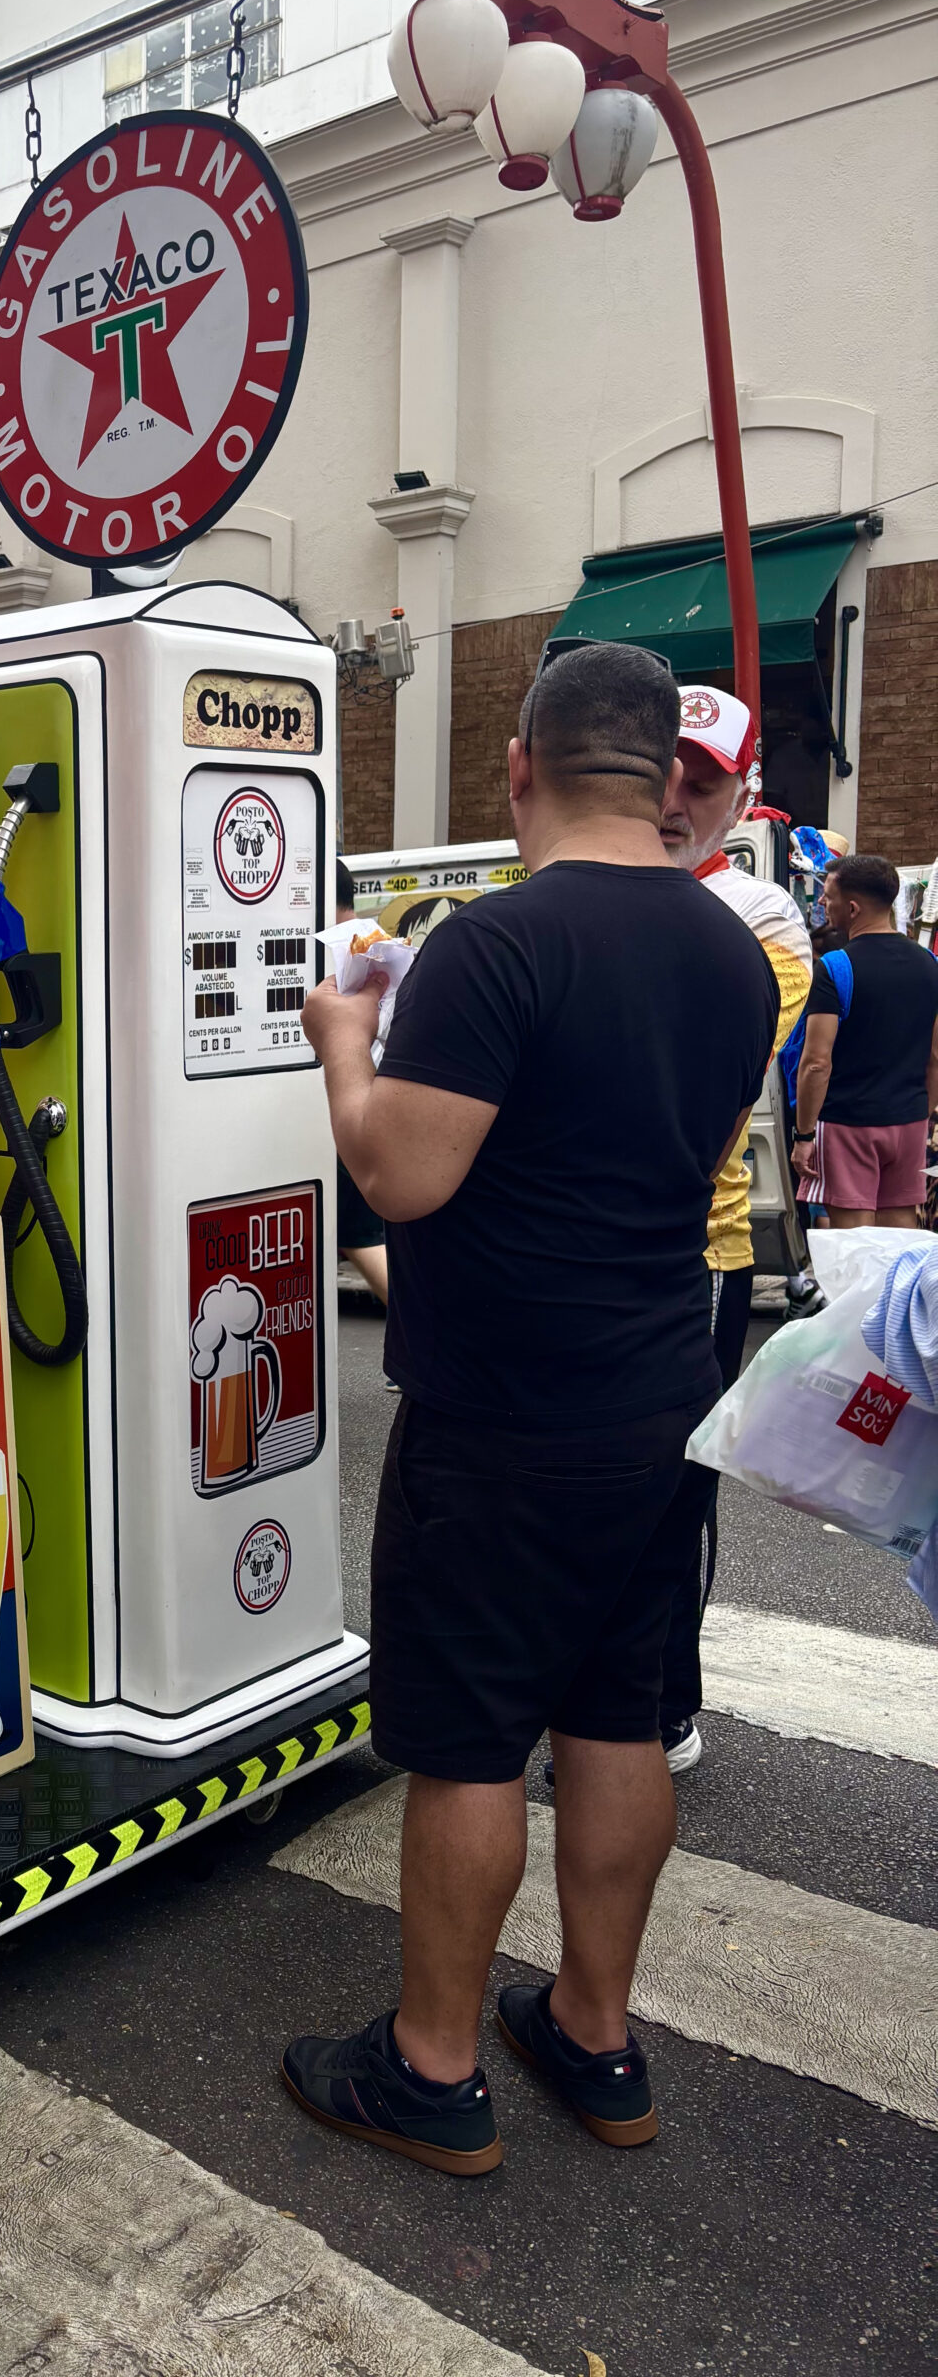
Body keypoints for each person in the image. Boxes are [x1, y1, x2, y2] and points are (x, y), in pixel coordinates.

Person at [282, 644, 776, 2176]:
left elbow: (402, 1175)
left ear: (520, 769)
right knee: (619, 1715)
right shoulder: (731, 954)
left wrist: (345, 1043)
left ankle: (431, 2069)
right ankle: (593, 2029)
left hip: (501, 1413)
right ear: (665, 774)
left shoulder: (499, 947)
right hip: (660, 1395)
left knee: (476, 1740)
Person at [654, 683, 812, 1772]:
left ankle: (662, 1704)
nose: (670, 798)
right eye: (654, 768)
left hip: (694, 1252)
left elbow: (699, 1075)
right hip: (577, 1250)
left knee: (672, 1490)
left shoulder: (759, 916)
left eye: (700, 781)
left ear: (742, 796)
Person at [791, 853, 938, 1231]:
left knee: (855, 1245)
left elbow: (815, 1063)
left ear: (852, 908)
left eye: (828, 896)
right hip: (908, 1122)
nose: (823, 903)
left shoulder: (835, 967)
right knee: (900, 1238)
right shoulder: (930, 964)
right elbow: (936, 1056)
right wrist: (920, 1114)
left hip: (847, 1124)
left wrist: (804, 1134)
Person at [332, 860, 389, 1310]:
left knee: (358, 1236)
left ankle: (426, 1344)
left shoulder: (336, 949)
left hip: (352, 1108)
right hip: (391, 1101)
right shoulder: (384, 942)